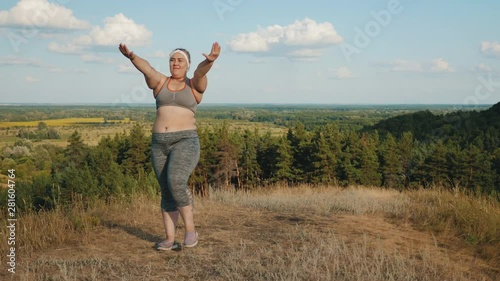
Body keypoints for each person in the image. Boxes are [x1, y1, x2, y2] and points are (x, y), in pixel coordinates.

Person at [118, 42, 221, 250]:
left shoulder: (194, 85)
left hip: (185, 141)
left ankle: (191, 230)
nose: (175, 63)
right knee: (166, 190)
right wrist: (131, 56)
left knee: (175, 181)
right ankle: (169, 239)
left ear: (187, 65)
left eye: (180, 60)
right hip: (159, 144)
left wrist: (209, 61)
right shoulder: (160, 83)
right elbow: (147, 68)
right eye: (172, 60)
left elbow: (201, 73)